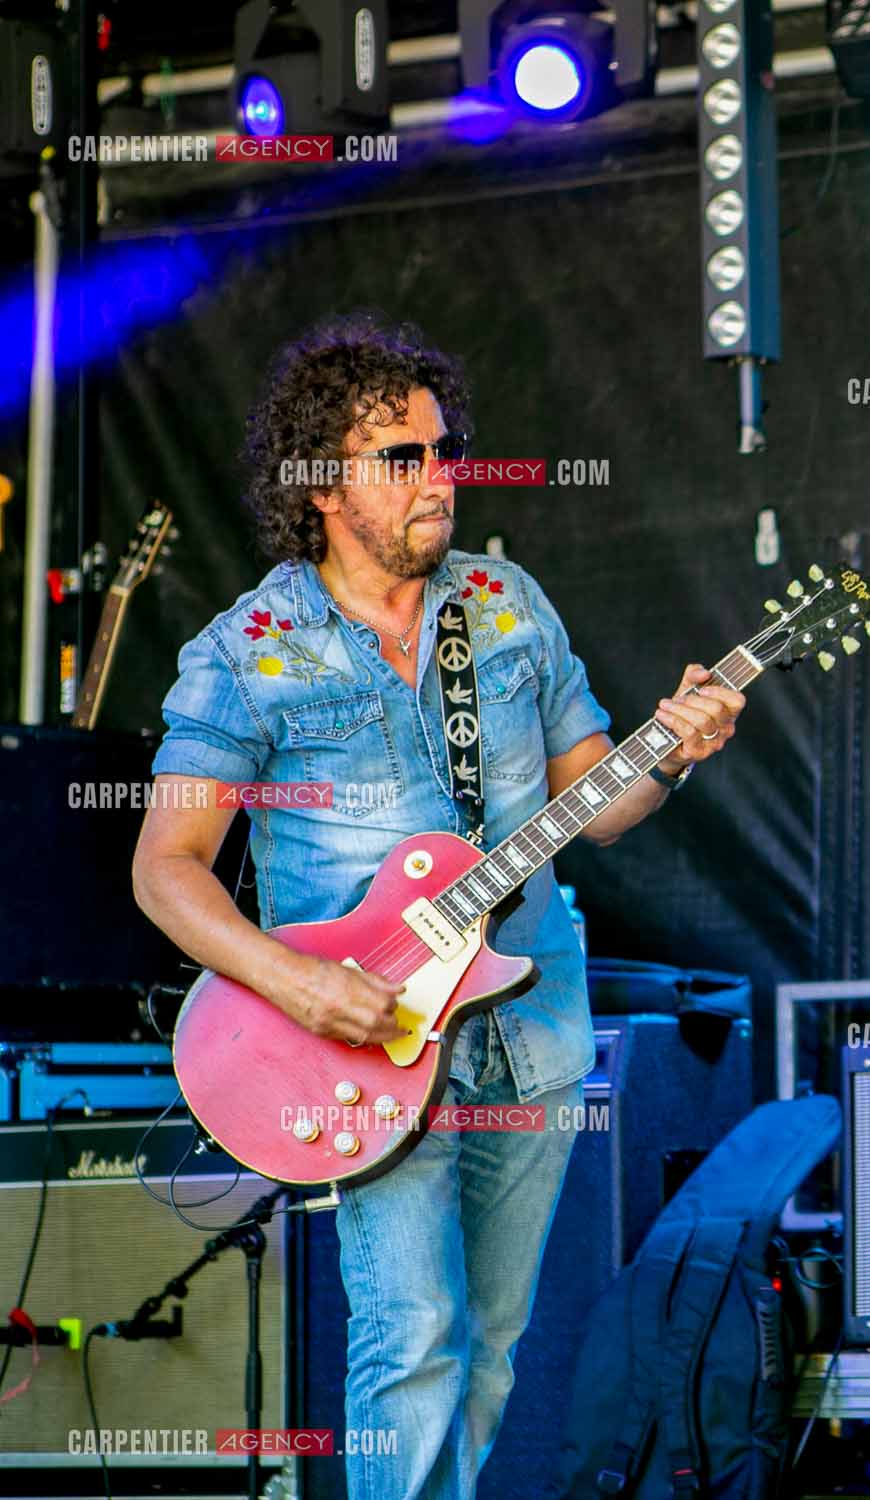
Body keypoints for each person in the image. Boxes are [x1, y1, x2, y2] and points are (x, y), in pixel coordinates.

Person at [129, 314, 744, 1499]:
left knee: (493, 1357)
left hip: (532, 1027)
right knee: (412, 1346)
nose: (439, 476)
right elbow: (168, 867)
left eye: (444, 447)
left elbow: (592, 801)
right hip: (360, 1048)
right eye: (402, 457)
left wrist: (669, 752)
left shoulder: (506, 604)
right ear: (321, 486)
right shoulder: (250, 649)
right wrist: (301, 980)